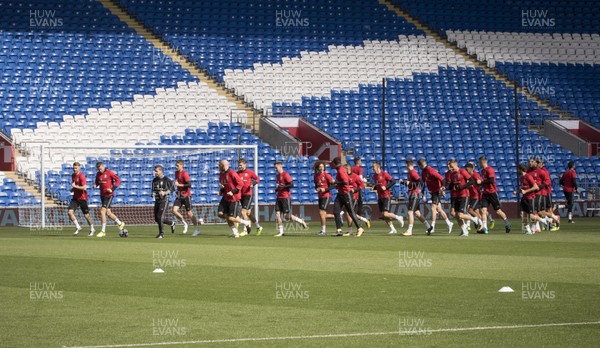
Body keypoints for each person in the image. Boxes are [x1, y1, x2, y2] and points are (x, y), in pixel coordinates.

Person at [417, 158, 453, 234]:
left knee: (433, 208)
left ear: (421, 165)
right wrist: (422, 194)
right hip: (432, 192)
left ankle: (432, 227)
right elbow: (423, 184)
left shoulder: (430, 170)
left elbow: (442, 179)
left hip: (437, 191)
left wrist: (442, 188)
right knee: (439, 210)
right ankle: (449, 223)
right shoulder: (423, 172)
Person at [218, 160, 252, 238]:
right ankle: (235, 232)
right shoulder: (221, 174)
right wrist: (221, 191)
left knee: (230, 217)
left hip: (234, 198)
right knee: (220, 214)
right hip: (225, 197)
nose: (219, 167)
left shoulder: (232, 173)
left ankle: (246, 223)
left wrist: (233, 192)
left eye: (220, 165)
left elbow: (241, 183)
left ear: (225, 165)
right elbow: (224, 186)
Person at [330, 158, 364, 237]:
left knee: (351, 212)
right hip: (340, 193)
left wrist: (336, 182)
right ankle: (339, 230)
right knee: (336, 211)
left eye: (333, 164)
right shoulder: (340, 170)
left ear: (336, 164)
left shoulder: (341, 170)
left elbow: (345, 182)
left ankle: (359, 228)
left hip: (346, 194)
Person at [273, 161, 307, 237]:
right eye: (275, 168)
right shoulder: (277, 176)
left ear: (280, 166)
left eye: (276, 168)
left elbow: (291, 184)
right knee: (277, 214)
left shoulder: (285, 174)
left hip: (286, 197)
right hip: (279, 197)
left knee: (286, 216)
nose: (276, 169)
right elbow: (280, 186)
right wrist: (276, 190)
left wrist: (283, 187)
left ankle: (300, 221)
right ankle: (281, 232)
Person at [398, 159, 431, 236]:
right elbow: (412, 184)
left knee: (410, 212)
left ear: (407, 165)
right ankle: (428, 227)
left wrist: (422, 194)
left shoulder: (413, 172)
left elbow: (421, 182)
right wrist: (403, 183)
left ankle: (409, 230)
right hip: (412, 194)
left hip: (414, 194)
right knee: (417, 213)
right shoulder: (410, 173)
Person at [478, 156, 511, 233]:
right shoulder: (483, 171)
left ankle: (507, 222)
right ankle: (485, 228)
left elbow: (491, 181)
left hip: (492, 192)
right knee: (483, 210)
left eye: (479, 162)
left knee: (498, 211)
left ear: (483, 162)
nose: (479, 164)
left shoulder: (490, 169)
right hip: (485, 193)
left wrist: (482, 182)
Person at [371, 160, 404, 234]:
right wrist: (374, 188)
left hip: (386, 196)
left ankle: (399, 217)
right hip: (380, 197)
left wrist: (386, 187)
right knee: (383, 215)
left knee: (385, 214)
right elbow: (378, 186)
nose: (372, 168)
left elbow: (393, 181)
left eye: (373, 166)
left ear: (378, 166)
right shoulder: (374, 176)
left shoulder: (384, 174)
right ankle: (393, 229)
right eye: (372, 167)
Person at [94, 162, 125, 237]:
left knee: (102, 211)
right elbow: (97, 182)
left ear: (103, 166)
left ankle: (103, 231)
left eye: (100, 168)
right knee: (108, 213)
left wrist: (112, 189)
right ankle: (120, 223)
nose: (99, 170)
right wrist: (95, 185)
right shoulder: (98, 174)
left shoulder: (109, 172)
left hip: (109, 195)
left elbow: (118, 180)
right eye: (98, 169)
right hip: (102, 195)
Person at [447, 159, 476, 237]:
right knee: (456, 215)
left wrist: (462, 186)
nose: (449, 166)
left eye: (450, 164)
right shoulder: (452, 174)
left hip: (464, 195)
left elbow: (472, 181)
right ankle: (464, 231)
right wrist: (445, 187)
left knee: (460, 215)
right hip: (457, 196)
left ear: (455, 164)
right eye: (448, 165)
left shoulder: (462, 171)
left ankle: (475, 219)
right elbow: (451, 186)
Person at [172, 159, 200, 236]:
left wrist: (179, 185)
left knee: (189, 213)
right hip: (179, 195)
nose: (176, 167)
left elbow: (189, 185)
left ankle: (196, 229)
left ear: (182, 165)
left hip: (186, 196)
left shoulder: (185, 173)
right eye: (176, 165)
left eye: (177, 165)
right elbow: (177, 183)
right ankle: (185, 223)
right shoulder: (176, 173)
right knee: (174, 210)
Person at [237, 158, 262, 236]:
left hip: (248, 194)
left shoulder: (250, 172)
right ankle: (258, 227)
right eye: (239, 165)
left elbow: (258, 179)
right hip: (241, 195)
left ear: (245, 164)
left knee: (243, 212)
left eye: (240, 165)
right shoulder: (237, 173)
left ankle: (245, 229)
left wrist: (253, 184)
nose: (239, 166)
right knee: (248, 213)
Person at [68, 162, 94, 236]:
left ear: (79, 168)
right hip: (75, 198)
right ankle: (78, 227)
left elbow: (84, 187)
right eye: (73, 168)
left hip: (82, 198)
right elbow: (75, 185)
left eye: (76, 168)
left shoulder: (82, 176)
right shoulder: (73, 175)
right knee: (70, 212)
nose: (74, 169)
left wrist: (75, 186)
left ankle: (92, 228)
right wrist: (72, 189)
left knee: (86, 215)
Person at [345, 164, 371, 234]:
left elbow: (362, 185)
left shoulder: (355, 176)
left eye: (344, 170)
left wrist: (355, 190)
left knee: (348, 213)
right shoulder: (344, 176)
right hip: (346, 196)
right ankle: (365, 220)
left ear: (348, 169)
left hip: (354, 197)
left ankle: (350, 230)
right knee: (350, 213)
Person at [151, 165, 176, 239]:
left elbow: (172, 190)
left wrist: (164, 193)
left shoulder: (167, 180)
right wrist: (152, 194)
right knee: (157, 219)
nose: (155, 172)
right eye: (155, 171)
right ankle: (172, 223)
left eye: (156, 171)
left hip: (164, 200)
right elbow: (153, 190)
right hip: (157, 200)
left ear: (161, 171)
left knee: (160, 217)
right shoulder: (154, 180)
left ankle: (161, 234)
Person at [313, 161, 337, 236]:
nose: (321, 168)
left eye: (322, 167)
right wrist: (317, 188)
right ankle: (337, 216)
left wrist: (325, 189)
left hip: (326, 196)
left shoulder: (327, 175)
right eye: (320, 167)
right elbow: (316, 185)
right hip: (320, 196)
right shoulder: (315, 176)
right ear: (317, 167)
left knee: (321, 213)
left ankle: (323, 230)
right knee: (322, 214)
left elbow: (334, 185)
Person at [516, 164, 540, 235]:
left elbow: (536, 187)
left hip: (530, 198)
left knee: (531, 216)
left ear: (521, 169)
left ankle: (545, 220)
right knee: (522, 215)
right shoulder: (521, 178)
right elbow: (523, 188)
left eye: (518, 169)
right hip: (524, 198)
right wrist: (517, 191)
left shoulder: (528, 176)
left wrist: (526, 191)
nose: (517, 171)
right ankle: (528, 230)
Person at [464, 162, 484, 233]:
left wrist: (480, 181)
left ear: (470, 169)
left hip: (475, 196)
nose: (465, 170)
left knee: (470, 210)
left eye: (466, 169)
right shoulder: (468, 175)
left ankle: (480, 223)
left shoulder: (475, 174)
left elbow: (481, 180)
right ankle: (481, 225)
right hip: (470, 196)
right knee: (474, 211)